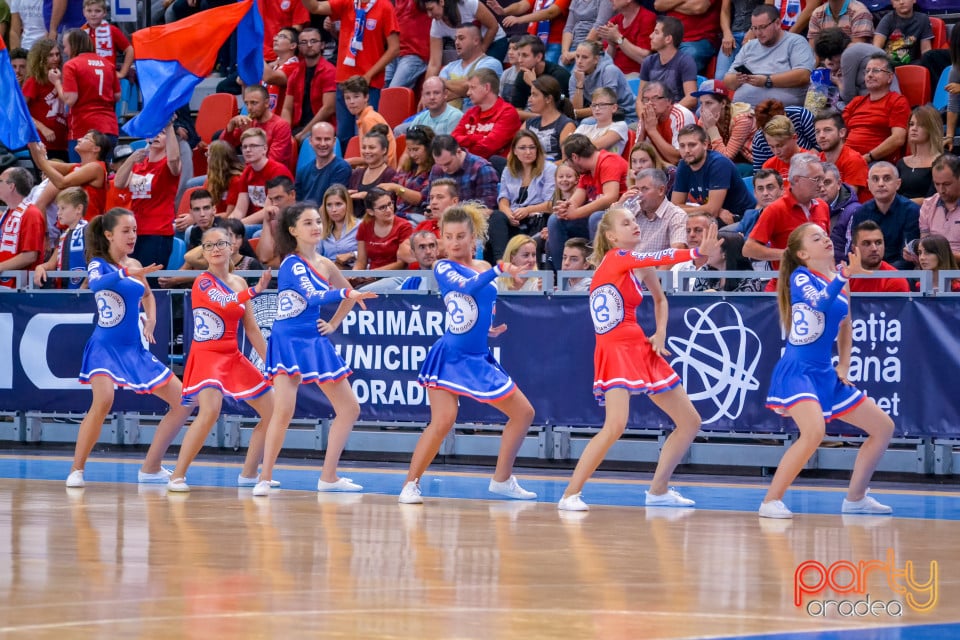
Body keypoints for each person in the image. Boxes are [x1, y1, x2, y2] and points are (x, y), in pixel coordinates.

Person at [556, 208, 720, 512]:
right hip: (615, 349)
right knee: (615, 425)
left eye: (635, 222)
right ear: (611, 236)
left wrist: (660, 333)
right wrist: (695, 252)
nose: (635, 226)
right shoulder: (618, 258)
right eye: (626, 223)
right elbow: (662, 256)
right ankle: (570, 494)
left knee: (689, 421)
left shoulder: (637, 266)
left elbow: (660, 299)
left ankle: (658, 491)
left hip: (641, 347)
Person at [399, 204, 537, 504]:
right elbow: (466, 287)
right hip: (450, 355)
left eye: (461, 236)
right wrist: (501, 269)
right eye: (448, 237)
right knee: (443, 421)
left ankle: (502, 480)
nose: (455, 242)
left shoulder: (484, 268)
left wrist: (487, 328)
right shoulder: (444, 267)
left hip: (477, 355)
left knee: (524, 413)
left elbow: (474, 303)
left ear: (473, 237)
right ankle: (411, 483)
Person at [759, 222, 895, 519]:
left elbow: (846, 324)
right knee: (814, 431)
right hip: (798, 370)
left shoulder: (839, 279)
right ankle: (771, 500)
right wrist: (844, 276)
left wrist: (844, 365)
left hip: (825, 372)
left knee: (883, 428)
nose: (825, 240)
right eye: (816, 238)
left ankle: (856, 498)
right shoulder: (800, 276)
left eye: (825, 235)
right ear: (803, 253)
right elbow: (819, 303)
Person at [66, 208, 194, 488]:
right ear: (109, 234)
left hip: (133, 349)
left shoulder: (134, 263)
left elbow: (147, 295)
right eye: (126, 230)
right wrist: (127, 271)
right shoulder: (99, 264)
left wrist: (152, 319)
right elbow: (98, 283)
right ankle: (76, 469)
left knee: (184, 401)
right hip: (104, 347)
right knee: (103, 401)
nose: (133, 235)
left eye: (135, 230)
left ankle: (151, 467)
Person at [255, 203, 377, 496]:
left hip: (314, 337)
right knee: (283, 410)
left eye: (317, 222)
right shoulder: (290, 263)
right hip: (288, 338)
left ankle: (329, 476)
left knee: (349, 408)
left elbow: (346, 297)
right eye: (307, 223)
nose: (316, 227)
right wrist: (347, 292)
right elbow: (311, 296)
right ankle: (264, 477)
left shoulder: (327, 264)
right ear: (293, 230)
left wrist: (334, 323)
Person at [166, 229, 274, 492]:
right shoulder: (202, 282)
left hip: (232, 356)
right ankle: (177, 476)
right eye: (209, 245)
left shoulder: (239, 282)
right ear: (203, 252)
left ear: (232, 246)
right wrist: (256, 290)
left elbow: (251, 328)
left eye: (221, 243)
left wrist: (270, 362)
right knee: (210, 411)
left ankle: (249, 473)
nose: (215, 249)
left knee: (273, 412)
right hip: (206, 356)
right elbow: (224, 302)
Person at [301, 0, 400, 147]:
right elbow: (315, 7)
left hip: (368, 83)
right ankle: (347, 169)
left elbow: (394, 49)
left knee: (365, 135)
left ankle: (364, 169)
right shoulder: (348, 3)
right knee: (344, 136)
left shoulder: (384, 6)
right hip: (344, 80)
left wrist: (369, 75)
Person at [745, 154, 830, 289]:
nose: (821, 185)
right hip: (786, 289)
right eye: (816, 179)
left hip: (819, 286)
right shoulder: (775, 209)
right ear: (796, 180)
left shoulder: (822, 206)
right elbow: (749, 249)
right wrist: (787, 255)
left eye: (822, 179)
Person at [113, 122, 181, 267]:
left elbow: (174, 159)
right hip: (135, 231)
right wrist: (131, 160)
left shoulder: (167, 164)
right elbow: (119, 183)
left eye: (161, 133)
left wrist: (169, 127)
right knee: (133, 278)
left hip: (158, 232)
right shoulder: (138, 165)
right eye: (154, 132)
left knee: (149, 281)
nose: (157, 135)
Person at [723, 4, 814, 108]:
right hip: (743, 110)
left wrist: (767, 81)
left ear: (777, 23)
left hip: (779, 112)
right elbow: (727, 81)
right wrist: (738, 79)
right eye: (754, 28)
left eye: (763, 27)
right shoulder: (749, 46)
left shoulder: (796, 42)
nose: (758, 33)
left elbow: (803, 76)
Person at [671, 124, 757, 226]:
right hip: (715, 217)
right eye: (682, 146)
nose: (687, 151)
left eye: (692, 145)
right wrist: (710, 210)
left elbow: (712, 211)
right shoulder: (683, 165)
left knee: (697, 230)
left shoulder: (719, 164)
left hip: (742, 218)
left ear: (705, 144)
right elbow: (674, 207)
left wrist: (711, 210)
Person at [490, 130, 557, 259]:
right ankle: (502, 263)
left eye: (532, 147)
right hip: (515, 219)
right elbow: (503, 199)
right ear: (514, 151)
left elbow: (551, 204)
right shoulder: (508, 170)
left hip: (538, 219)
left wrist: (527, 210)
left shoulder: (549, 168)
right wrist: (508, 214)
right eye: (522, 148)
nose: (528, 152)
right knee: (497, 216)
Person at [55, 28, 119, 162]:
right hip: (109, 126)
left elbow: (70, 99)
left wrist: (56, 83)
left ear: (74, 45)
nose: (65, 51)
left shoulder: (72, 65)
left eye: (66, 47)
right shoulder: (108, 64)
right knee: (105, 174)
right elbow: (117, 95)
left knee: (80, 176)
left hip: (83, 129)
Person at [843, 53, 910, 164]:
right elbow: (839, 132)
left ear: (890, 77)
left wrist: (868, 157)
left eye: (876, 71)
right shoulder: (856, 102)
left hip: (876, 163)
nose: (869, 75)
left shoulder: (897, 101)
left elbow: (898, 138)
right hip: (847, 159)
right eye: (867, 71)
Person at [28, 128, 108, 221]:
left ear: (96, 149)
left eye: (86, 138)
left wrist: (41, 157)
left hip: (88, 227)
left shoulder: (96, 167)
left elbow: (62, 183)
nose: (79, 139)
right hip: (73, 226)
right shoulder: (77, 166)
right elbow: (41, 164)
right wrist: (32, 142)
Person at [851, 162, 920, 269]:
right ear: (868, 184)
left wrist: (881, 273)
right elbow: (855, 250)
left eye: (887, 179)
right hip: (867, 272)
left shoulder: (911, 211)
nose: (881, 184)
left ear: (898, 184)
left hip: (900, 274)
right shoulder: (860, 212)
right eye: (875, 179)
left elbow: (907, 258)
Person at [568, 40, 636, 124]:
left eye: (585, 57)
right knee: (570, 123)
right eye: (577, 56)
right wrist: (579, 83)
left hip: (625, 115)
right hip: (599, 113)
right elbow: (576, 110)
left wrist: (576, 113)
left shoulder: (609, 71)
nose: (579, 61)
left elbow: (607, 106)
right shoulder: (576, 76)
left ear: (596, 59)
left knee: (587, 123)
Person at [639, 15, 698, 111]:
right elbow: (640, 100)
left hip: (676, 117)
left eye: (656, 32)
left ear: (668, 39)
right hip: (653, 116)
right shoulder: (648, 62)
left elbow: (691, 98)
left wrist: (666, 113)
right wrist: (644, 117)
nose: (651, 36)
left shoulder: (685, 61)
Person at [33, 186, 87, 289]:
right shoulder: (64, 236)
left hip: (83, 297)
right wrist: (41, 267)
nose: (58, 213)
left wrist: (83, 289)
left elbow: (96, 263)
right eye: (58, 209)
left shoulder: (89, 230)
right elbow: (52, 264)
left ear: (79, 209)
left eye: (63, 208)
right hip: (64, 293)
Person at [0, 167, 45, 289]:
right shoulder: (7, 213)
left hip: (20, 289)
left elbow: (30, 255)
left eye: (0, 181)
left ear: (11, 186)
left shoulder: (31, 214)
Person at [22, 38, 67, 160]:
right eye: (50, 55)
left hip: (64, 142)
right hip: (42, 142)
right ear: (40, 58)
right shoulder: (33, 81)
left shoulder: (63, 78)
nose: (55, 58)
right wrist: (42, 127)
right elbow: (20, 111)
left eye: (57, 54)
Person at [693, 79, 755, 166]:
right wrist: (705, 132)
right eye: (701, 103)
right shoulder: (705, 119)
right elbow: (700, 154)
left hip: (752, 164)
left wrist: (711, 129)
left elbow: (725, 158)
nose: (703, 109)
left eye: (709, 103)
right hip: (732, 163)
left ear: (723, 103)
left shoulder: (742, 119)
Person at [342, 75, 398, 168]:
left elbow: (378, 157)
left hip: (382, 172)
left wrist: (350, 161)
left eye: (356, 97)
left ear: (366, 97)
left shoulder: (369, 120)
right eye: (347, 98)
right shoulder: (366, 118)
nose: (351, 102)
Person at [381, 124, 435, 221]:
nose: (412, 154)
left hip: (417, 218)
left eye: (416, 149)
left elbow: (421, 198)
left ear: (429, 147)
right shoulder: (408, 167)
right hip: (397, 216)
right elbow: (392, 186)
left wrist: (398, 189)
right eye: (409, 150)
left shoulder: (435, 170)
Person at [814, 110, 868, 203]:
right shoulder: (817, 160)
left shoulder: (853, 160)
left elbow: (846, 198)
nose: (821, 136)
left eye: (827, 130)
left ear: (842, 133)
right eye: (817, 132)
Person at [294, 121, 352, 204]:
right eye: (318, 139)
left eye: (327, 139)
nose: (323, 143)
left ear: (334, 141)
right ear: (310, 141)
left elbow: (332, 204)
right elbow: (298, 203)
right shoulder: (302, 172)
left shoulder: (342, 168)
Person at [356, 188, 414, 271]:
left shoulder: (404, 226)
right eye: (382, 207)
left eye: (390, 204)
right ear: (370, 212)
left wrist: (373, 274)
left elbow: (401, 264)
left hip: (395, 276)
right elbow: (361, 262)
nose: (389, 210)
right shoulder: (364, 226)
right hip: (370, 276)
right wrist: (354, 276)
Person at [847, 220, 910, 293]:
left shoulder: (896, 280)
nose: (874, 248)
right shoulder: (845, 278)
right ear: (854, 249)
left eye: (878, 243)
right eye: (867, 243)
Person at [918, 153, 960, 262]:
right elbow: (925, 245)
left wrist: (944, 256)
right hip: (934, 268)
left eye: (947, 184)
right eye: (937, 184)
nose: (941, 190)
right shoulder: (928, 205)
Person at [524, 75, 576, 162]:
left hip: (551, 171)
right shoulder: (529, 122)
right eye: (530, 94)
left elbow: (566, 160)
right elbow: (515, 150)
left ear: (548, 99)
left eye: (534, 95)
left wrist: (538, 170)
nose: (529, 99)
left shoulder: (566, 125)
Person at [348, 130, 397, 218]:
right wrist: (345, 196)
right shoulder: (357, 173)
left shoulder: (390, 174)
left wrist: (367, 196)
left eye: (371, 147)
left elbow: (390, 205)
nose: (366, 151)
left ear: (384, 150)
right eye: (364, 147)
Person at [79, 0, 133, 80]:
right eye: (89, 11)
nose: (93, 14)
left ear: (104, 13)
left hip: (108, 78)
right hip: (86, 78)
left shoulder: (112, 30)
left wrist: (122, 73)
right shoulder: (80, 32)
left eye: (98, 11)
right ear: (84, 12)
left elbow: (130, 50)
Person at [897, 105, 941, 203]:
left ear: (932, 128)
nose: (913, 128)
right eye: (911, 124)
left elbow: (933, 199)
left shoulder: (941, 162)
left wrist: (900, 205)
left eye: (920, 125)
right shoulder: (901, 163)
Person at [821, 161, 862, 263]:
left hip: (843, 273)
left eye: (827, 182)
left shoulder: (855, 211)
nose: (822, 188)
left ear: (839, 184)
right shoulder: (807, 208)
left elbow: (853, 253)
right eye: (818, 182)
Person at [574, 87, 630, 155]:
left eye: (602, 105)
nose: (597, 108)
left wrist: (577, 146)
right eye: (594, 105)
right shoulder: (583, 127)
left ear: (614, 108)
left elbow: (596, 146)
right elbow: (568, 147)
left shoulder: (620, 126)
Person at [319, 184, 360, 269]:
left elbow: (373, 252)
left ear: (347, 204)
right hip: (329, 274)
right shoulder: (322, 230)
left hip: (354, 274)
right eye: (329, 205)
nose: (333, 210)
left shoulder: (360, 226)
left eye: (338, 204)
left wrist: (352, 254)